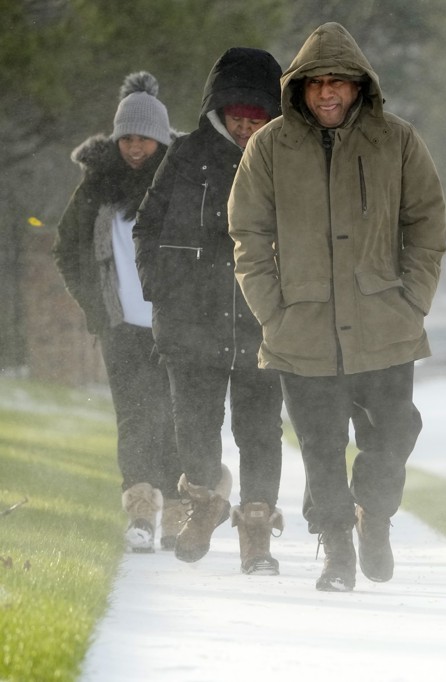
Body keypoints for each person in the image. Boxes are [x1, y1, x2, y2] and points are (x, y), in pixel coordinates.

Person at [228, 22, 446, 592]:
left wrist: (412, 301)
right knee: (321, 447)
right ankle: (337, 552)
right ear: (299, 88)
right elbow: (247, 234)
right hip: (301, 327)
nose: (328, 92)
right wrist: (272, 310)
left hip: (384, 325)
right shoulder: (268, 147)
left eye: (340, 82)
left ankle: (374, 514)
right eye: (317, 82)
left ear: (360, 87)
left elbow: (426, 225)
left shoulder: (398, 141)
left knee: (394, 432)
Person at [134, 48, 286, 575]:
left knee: (260, 432)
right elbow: (147, 225)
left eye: (257, 117)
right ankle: (205, 501)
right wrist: (160, 288)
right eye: (238, 116)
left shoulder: (287, 158)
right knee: (195, 428)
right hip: (189, 322)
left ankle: (257, 530)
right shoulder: (185, 154)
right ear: (219, 111)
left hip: (262, 322)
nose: (246, 127)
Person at [53, 72, 184, 553]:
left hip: (175, 325)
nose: (134, 148)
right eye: (127, 138)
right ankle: (141, 511)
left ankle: (177, 511)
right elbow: (67, 250)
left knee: (174, 417)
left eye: (144, 139)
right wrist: (95, 306)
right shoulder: (96, 188)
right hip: (121, 325)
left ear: (161, 139)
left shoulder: (182, 184)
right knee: (133, 417)